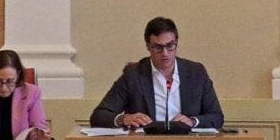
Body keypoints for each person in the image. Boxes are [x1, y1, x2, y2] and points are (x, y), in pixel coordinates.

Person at [89, 17, 224, 130]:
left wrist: (192, 121)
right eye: (158, 47)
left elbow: (216, 117)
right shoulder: (133, 75)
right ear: (148, 46)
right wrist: (123, 119)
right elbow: (99, 116)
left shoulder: (196, 72)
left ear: (176, 43)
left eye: (170, 46)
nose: (165, 53)